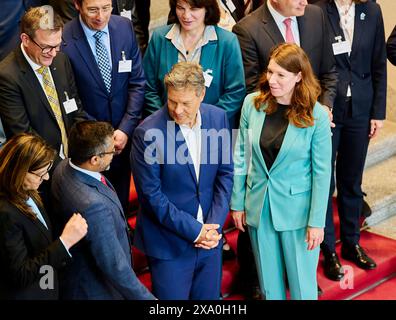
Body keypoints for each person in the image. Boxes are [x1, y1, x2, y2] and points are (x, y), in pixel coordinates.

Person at [231, 0, 337, 298]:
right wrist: (238, 202)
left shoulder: (316, 115)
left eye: (280, 75)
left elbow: (321, 173)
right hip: (259, 209)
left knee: (303, 288)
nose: (271, 80)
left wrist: (317, 222)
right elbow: (242, 157)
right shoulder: (252, 104)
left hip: (298, 214)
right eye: (270, 72)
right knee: (269, 287)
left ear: (298, 77)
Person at [131, 62, 234, 300]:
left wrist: (214, 226)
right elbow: (152, 197)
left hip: (210, 239)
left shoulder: (217, 118)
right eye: (172, 101)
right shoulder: (147, 133)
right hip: (170, 245)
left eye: (185, 103)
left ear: (202, 95)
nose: (177, 110)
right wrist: (196, 231)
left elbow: (225, 174)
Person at [316, 0, 386, 280]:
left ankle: (351, 242)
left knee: (351, 180)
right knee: (325, 182)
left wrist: (378, 112)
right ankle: (327, 249)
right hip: (328, 109)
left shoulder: (372, 9)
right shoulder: (318, 9)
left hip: (361, 108)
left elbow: (379, 61)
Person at [51, 121, 155, 300]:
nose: (114, 153)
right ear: (94, 160)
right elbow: (114, 265)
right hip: (97, 289)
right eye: (111, 150)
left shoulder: (64, 167)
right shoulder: (94, 206)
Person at [62, 0, 145, 213]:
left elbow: (137, 82)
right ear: (77, 5)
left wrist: (125, 129)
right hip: (89, 143)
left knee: (122, 201)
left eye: (106, 8)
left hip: (123, 137)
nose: (101, 16)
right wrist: (102, 137)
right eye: (92, 9)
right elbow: (70, 97)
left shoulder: (124, 28)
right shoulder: (63, 39)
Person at [0, 133, 87, 300]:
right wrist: (64, 242)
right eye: (41, 173)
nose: (46, 178)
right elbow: (21, 274)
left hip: (46, 285)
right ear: (20, 171)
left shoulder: (27, 190)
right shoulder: (5, 213)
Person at [0, 7, 87, 164]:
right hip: (41, 167)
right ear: (25, 39)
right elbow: (23, 135)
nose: (53, 53)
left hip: (72, 159)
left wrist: (84, 151)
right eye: (46, 47)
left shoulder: (61, 61)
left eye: (58, 45)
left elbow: (75, 109)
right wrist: (61, 169)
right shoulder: (7, 76)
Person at [143, 0, 246, 129]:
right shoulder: (160, 38)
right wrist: (165, 119)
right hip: (166, 128)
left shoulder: (227, 42)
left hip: (211, 130)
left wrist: (205, 121)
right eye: (181, 8)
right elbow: (148, 87)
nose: (186, 15)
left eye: (193, 9)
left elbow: (235, 92)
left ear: (207, 9)